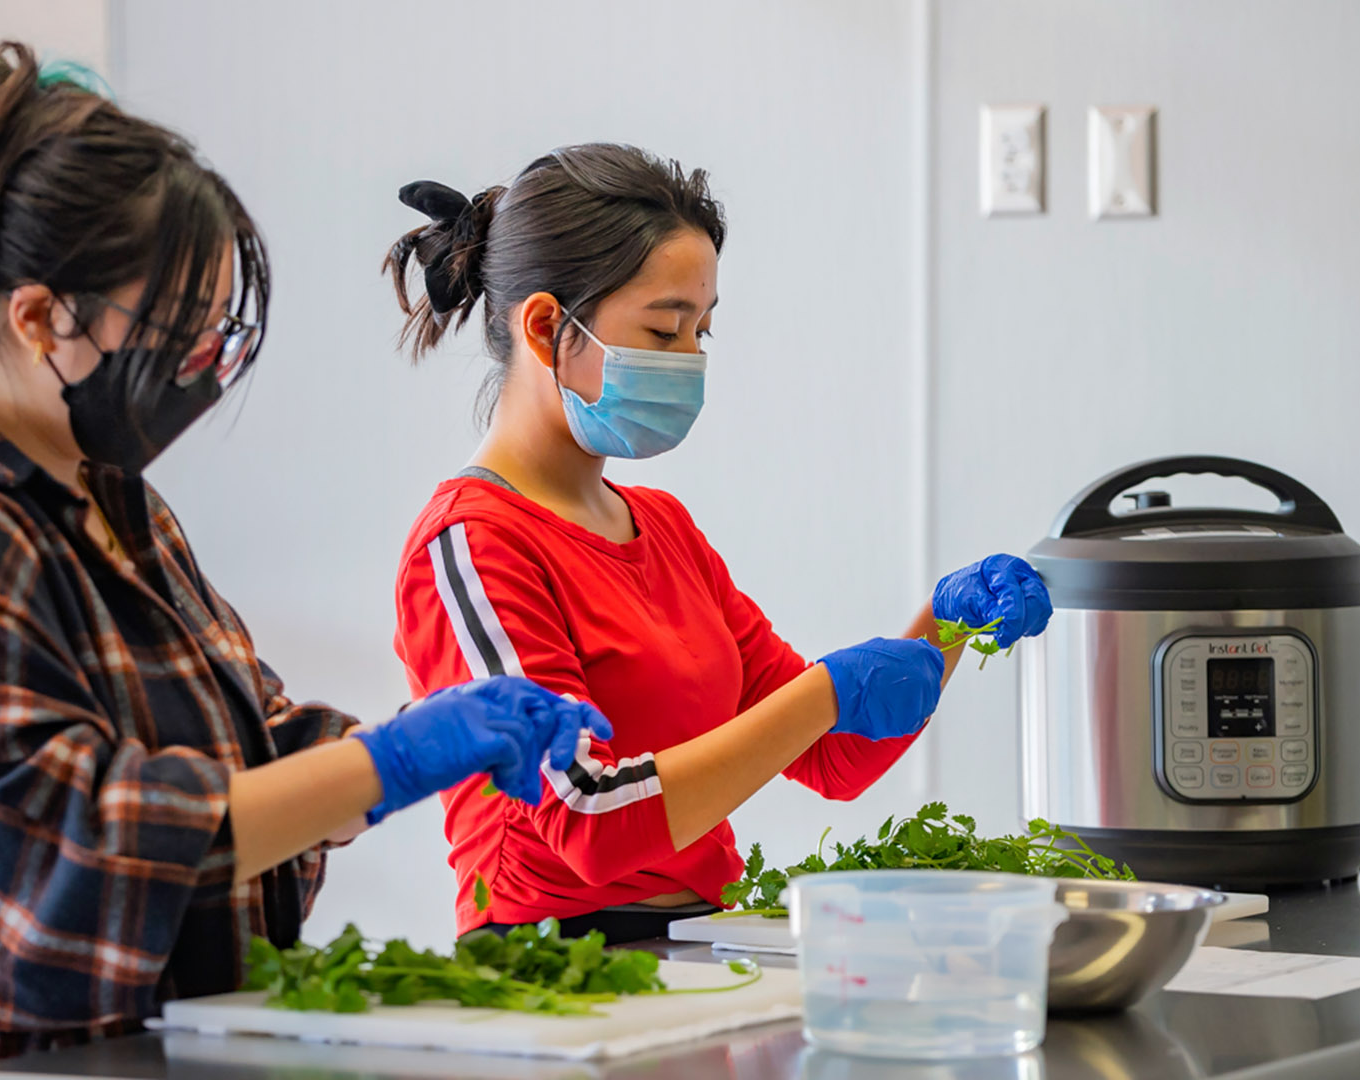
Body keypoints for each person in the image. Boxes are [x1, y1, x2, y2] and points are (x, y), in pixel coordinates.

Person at [0, 43, 606, 1079]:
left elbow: (238, 748)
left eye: (214, 334)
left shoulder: (111, 498)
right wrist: (388, 766)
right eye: (178, 336)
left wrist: (407, 748)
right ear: (40, 320)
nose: (202, 368)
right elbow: (60, 857)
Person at [385, 144, 1053, 942]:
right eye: (665, 329)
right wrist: (830, 691)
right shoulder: (471, 545)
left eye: (703, 331)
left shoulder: (662, 529)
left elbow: (830, 754)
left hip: (704, 944)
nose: (692, 360)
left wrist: (944, 627)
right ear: (544, 326)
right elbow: (585, 816)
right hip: (554, 969)